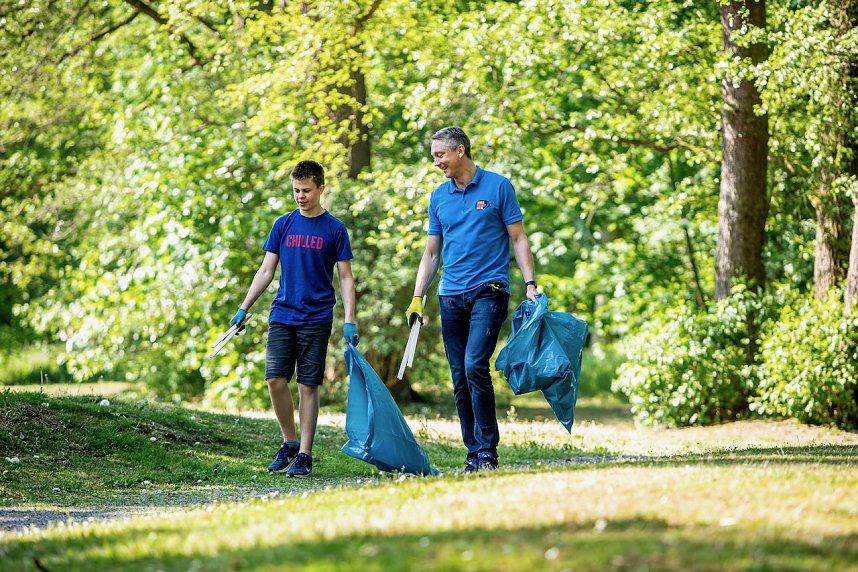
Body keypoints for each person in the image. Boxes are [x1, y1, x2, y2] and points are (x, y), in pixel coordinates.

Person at [407, 126, 538, 472]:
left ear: (460, 150)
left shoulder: (498, 187)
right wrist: (417, 296)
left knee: (474, 364)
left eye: (440, 155)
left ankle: (487, 451)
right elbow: (432, 252)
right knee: (459, 375)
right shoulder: (439, 196)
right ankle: (472, 452)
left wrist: (530, 283)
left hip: (489, 291)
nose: (436, 162)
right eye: (434, 156)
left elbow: (519, 239)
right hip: (450, 295)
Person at [230, 160, 358, 478]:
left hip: (316, 316)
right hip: (283, 313)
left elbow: (345, 278)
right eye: (296, 190)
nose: (300, 196)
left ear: (321, 189)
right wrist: (244, 307)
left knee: (307, 386)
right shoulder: (283, 225)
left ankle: (304, 453)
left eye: (306, 190)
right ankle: (289, 442)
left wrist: (350, 319)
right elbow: (266, 270)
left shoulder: (334, 229)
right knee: (275, 380)